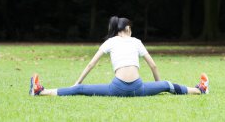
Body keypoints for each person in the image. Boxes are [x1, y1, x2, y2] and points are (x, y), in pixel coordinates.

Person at [29, 16, 209, 97]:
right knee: (168, 85)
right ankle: (200, 90)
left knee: (80, 90)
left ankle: (40, 91)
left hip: (117, 88)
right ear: (128, 29)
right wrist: (157, 85)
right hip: (139, 88)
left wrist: (77, 83)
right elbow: (153, 66)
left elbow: (91, 64)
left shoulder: (110, 42)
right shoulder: (136, 41)